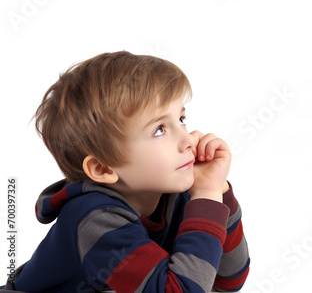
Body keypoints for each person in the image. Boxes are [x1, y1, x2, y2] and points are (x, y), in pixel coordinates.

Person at [1, 51, 250, 292]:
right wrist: (206, 193)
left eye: (181, 119)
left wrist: (218, 190)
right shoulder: (94, 217)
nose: (187, 140)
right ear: (103, 168)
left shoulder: (178, 190)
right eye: (160, 130)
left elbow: (227, 280)